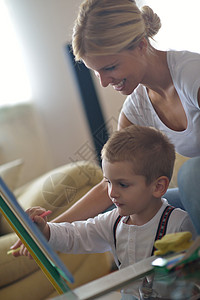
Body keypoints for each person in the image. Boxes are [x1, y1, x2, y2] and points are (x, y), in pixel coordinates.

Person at [11, 0, 200, 254]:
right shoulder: (136, 109)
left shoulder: (192, 75)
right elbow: (108, 185)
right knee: (132, 209)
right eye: (96, 72)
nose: (103, 82)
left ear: (142, 45)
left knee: (191, 175)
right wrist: (48, 231)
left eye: (110, 67)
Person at [17, 126, 197, 299]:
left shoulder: (180, 224)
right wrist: (46, 230)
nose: (112, 192)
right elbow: (76, 235)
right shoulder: (113, 221)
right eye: (108, 182)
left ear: (158, 186)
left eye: (123, 184)